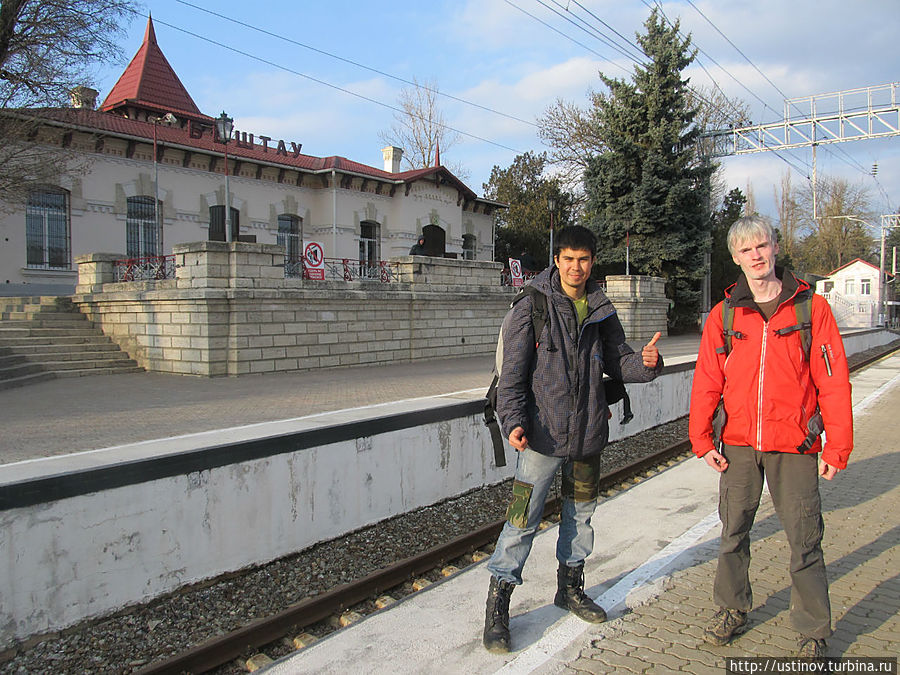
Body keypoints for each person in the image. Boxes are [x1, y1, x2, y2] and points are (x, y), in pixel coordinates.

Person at [483, 225, 663, 653]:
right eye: (568, 258)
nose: (575, 267)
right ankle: (498, 607)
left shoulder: (601, 307)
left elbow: (620, 362)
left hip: (587, 437)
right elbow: (511, 375)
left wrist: (646, 363)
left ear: (592, 261)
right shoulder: (533, 306)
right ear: (557, 259)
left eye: (583, 259)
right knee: (521, 519)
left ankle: (570, 588)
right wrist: (512, 422)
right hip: (541, 438)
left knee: (580, 518)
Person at [689, 215, 853, 658]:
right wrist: (702, 439)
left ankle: (814, 631)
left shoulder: (809, 308)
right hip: (739, 445)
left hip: (796, 446)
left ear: (775, 247)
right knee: (733, 532)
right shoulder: (725, 314)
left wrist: (837, 446)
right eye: (746, 250)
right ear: (736, 258)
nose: (756, 256)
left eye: (761, 246)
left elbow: (833, 380)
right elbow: (707, 379)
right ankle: (732, 608)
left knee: (805, 539)